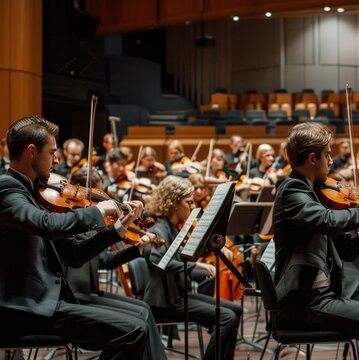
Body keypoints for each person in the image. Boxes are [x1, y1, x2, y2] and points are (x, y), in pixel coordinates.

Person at [0, 115, 148, 358]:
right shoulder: (7, 188)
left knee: (138, 322)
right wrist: (96, 212)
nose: (56, 160)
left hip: (48, 303)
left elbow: (75, 255)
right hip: (23, 309)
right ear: (31, 151)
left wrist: (118, 229)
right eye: (52, 152)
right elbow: (45, 224)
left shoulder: (37, 194)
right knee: (132, 330)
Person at [271, 122, 359, 360]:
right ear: (313, 158)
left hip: (324, 295)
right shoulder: (292, 191)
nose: (332, 160)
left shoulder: (315, 192)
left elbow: (348, 250)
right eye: (328, 155)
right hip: (303, 303)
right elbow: (328, 220)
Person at [65, 167, 168, 360]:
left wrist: (136, 248)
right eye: (96, 196)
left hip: (89, 292)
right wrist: (115, 227)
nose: (101, 203)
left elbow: (105, 261)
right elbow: (78, 255)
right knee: (139, 320)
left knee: (143, 309)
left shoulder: (92, 226)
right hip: (76, 295)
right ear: (79, 192)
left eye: (101, 197)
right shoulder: (72, 222)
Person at [141, 175, 242, 360]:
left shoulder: (172, 228)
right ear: (173, 203)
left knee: (236, 310)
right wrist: (198, 264)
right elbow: (159, 262)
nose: (192, 206)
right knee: (226, 317)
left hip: (177, 295)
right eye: (188, 202)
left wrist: (210, 255)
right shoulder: (159, 229)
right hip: (163, 301)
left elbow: (184, 257)